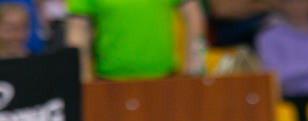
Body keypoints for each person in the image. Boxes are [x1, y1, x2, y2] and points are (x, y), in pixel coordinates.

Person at [65, 0, 208, 82]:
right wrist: (84, 80)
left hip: (164, 79)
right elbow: (77, 31)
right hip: (108, 81)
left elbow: (193, 15)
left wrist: (195, 66)